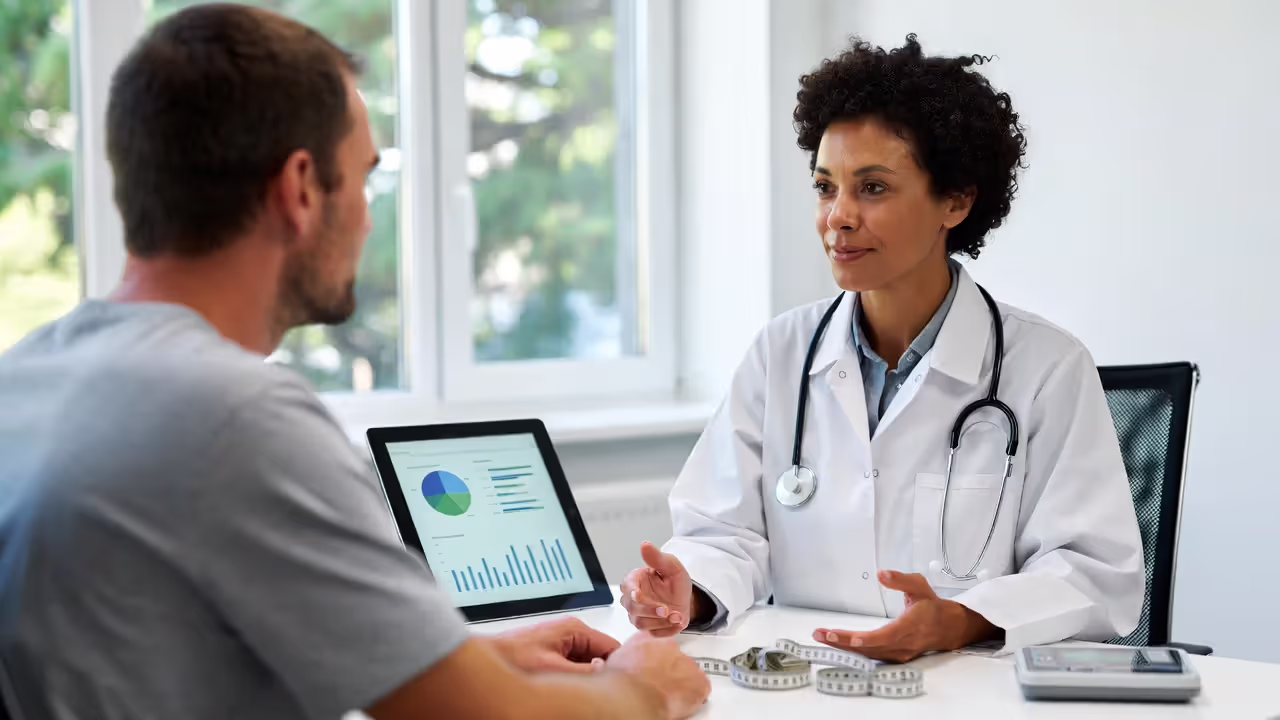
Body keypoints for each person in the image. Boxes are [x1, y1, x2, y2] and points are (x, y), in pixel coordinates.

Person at [0, 6, 708, 720]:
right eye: (365, 176)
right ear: (301, 188)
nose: (370, 217)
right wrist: (646, 688)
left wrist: (472, 660)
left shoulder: (26, 378)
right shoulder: (235, 416)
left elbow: (165, 656)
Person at [621, 35, 1144, 662]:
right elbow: (722, 534)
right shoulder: (780, 352)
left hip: (966, 694)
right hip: (809, 687)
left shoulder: (1047, 369)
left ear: (956, 199)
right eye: (824, 187)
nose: (837, 217)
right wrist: (691, 590)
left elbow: (1094, 574)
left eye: (872, 188)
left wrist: (958, 620)